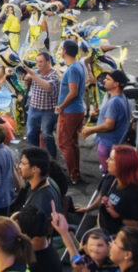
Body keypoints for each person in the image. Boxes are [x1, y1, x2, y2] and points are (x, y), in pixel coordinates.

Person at [76, 144, 138, 235]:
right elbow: (102, 196)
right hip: (102, 230)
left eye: (111, 159)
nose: (107, 160)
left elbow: (137, 225)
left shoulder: (136, 193)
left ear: (122, 165)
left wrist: (118, 216)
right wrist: (88, 208)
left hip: (117, 238)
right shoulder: (111, 178)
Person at [81, 70, 131, 171]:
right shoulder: (122, 97)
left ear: (116, 84)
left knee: (108, 170)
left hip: (108, 144)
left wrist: (90, 130)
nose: (104, 81)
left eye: (108, 79)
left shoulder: (115, 102)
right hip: (115, 141)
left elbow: (109, 125)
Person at [55, 39, 86, 184]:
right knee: (73, 143)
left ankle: (73, 174)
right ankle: (75, 172)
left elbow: (73, 92)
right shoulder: (78, 65)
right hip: (77, 110)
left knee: (64, 143)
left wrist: (61, 106)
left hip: (70, 111)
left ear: (65, 51)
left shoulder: (73, 68)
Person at [21, 50, 59, 157]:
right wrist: (26, 80)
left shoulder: (54, 74)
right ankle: (34, 156)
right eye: (37, 62)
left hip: (48, 110)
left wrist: (34, 75)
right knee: (31, 133)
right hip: (34, 108)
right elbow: (25, 85)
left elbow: (48, 87)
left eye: (41, 62)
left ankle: (52, 156)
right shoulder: (35, 72)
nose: (38, 64)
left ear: (48, 62)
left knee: (47, 134)